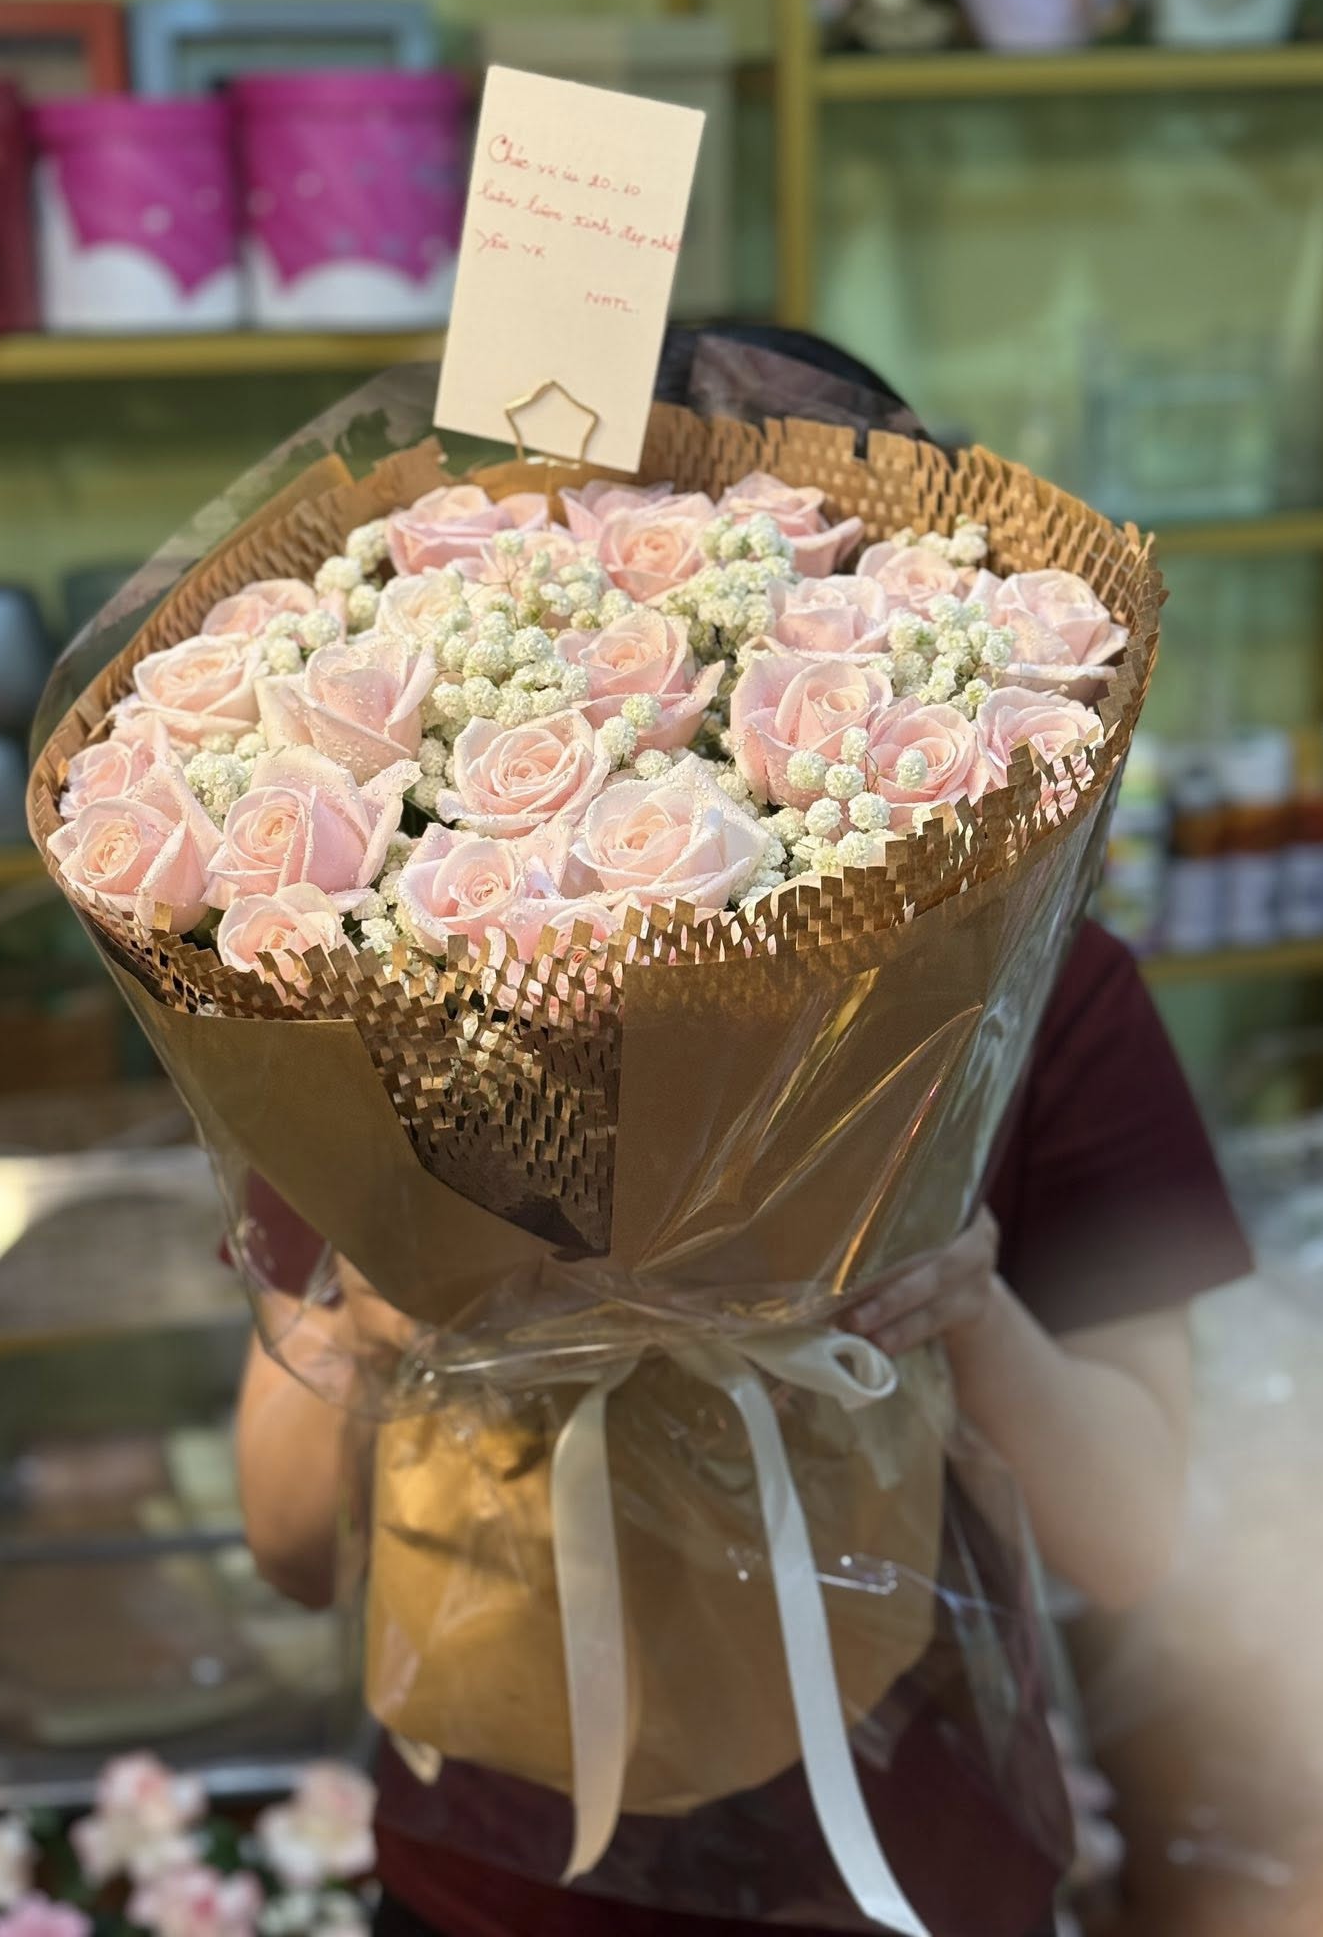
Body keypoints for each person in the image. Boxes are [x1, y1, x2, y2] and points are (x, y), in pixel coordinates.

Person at [231, 329, 1252, 1937]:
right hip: (498, 1868)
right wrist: (374, 1301)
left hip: (899, 1863)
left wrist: (964, 1300)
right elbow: (289, 1544)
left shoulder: (1043, 999)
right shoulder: (382, 1000)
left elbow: (1130, 1539)